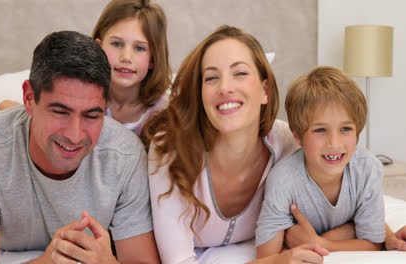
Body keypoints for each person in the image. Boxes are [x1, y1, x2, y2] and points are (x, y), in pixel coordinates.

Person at [0, 30, 160, 264]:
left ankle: (8, 109)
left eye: (91, 115)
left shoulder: (126, 155)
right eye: (60, 112)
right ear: (28, 98)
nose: (75, 136)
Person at [141, 25, 330, 264]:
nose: (225, 88)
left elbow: (345, 194)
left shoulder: (287, 142)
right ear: (200, 95)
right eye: (211, 78)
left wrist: (385, 235)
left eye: (239, 73)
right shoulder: (169, 149)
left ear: (265, 91)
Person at [255, 66, 385, 258]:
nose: (334, 143)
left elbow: (374, 244)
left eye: (346, 129)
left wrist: (321, 243)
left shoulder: (367, 169)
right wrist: (349, 232)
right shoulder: (283, 179)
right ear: (298, 137)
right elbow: (267, 256)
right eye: (320, 130)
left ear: (357, 133)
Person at [91, 0, 172, 135]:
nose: (126, 57)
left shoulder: (165, 112)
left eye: (139, 48)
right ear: (98, 48)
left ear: (153, 59)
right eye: (117, 44)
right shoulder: (82, 98)